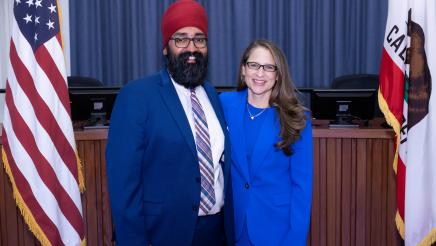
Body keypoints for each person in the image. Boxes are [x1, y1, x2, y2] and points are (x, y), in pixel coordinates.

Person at [105, 1, 234, 245]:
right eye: (181, 39)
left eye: (199, 39)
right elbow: (124, 188)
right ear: (166, 48)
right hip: (163, 234)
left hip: (216, 233)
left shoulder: (213, 95)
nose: (191, 48)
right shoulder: (136, 96)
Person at [219, 39, 313, 246]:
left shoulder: (296, 119)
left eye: (269, 67)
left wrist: (295, 240)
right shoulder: (224, 104)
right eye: (254, 65)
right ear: (243, 69)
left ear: (278, 75)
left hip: (276, 231)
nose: (260, 74)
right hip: (231, 227)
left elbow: (302, 188)